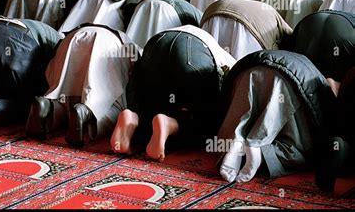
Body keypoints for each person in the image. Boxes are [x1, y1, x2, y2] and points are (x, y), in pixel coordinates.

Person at [110, 25, 236, 161]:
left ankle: (133, 118)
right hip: (191, 54)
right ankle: (170, 124)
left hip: (156, 44)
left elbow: (138, 79)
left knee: (153, 105)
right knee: (208, 123)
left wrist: (135, 104)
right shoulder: (225, 56)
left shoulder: (190, 29)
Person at [217, 50, 336, 183]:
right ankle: (258, 149)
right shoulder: (329, 91)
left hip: (248, 72)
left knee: (244, 116)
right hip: (288, 83)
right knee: (303, 151)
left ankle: (237, 140)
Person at [26, 24, 140, 147]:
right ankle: (86, 111)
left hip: (70, 39)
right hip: (109, 45)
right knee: (115, 106)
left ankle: (47, 104)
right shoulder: (131, 44)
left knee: (63, 97)